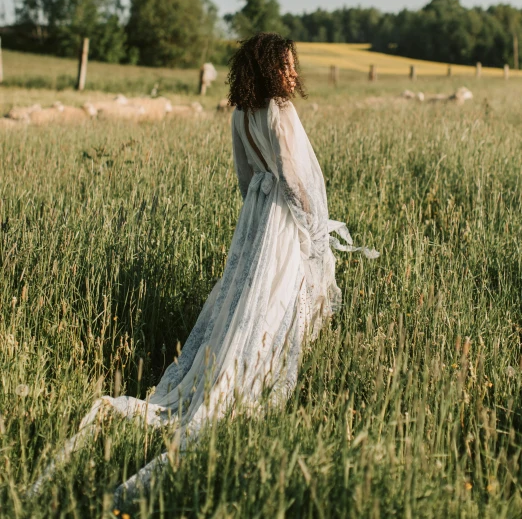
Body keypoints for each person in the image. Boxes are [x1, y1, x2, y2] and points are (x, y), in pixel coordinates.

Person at [29, 32, 377, 507]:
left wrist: (255, 222)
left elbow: (245, 175)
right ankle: (253, 372)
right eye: (288, 66)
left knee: (245, 296)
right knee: (276, 299)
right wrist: (314, 233)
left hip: (256, 213)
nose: (295, 74)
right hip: (283, 216)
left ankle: (231, 365)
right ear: (271, 69)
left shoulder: (240, 113)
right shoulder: (281, 111)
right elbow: (298, 179)